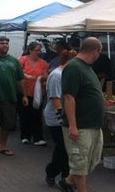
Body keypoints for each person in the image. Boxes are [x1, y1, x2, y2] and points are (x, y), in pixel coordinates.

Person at [58, 37, 105, 192]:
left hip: (93, 124)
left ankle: (67, 182)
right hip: (81, 125)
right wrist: (73, 126)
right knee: (79, 164)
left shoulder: (87, 67)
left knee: (91, 161)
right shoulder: (74, 67)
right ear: (96, 51)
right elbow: (69, 97)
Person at [44, 49, 76, 186]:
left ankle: (61, 174)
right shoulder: (57, 75)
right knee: (63, 148)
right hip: (55, 119)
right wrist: (63, 119)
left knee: (63, 148)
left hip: (63, 117)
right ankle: (56, 173)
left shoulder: (67, 74)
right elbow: (56, 99)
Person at [18, 41, 49, 146]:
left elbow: (45, 76)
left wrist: (44, 79)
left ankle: (38, 137)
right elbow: (17, 72)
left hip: (38, 93)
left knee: (37, 115)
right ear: (30, 50)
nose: (39, 52)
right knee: (24, 114)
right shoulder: (23, 60)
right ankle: (25, 136)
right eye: (37, 50)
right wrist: (27, 76)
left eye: (40, 50)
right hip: (24, 91)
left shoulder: (43, 63)